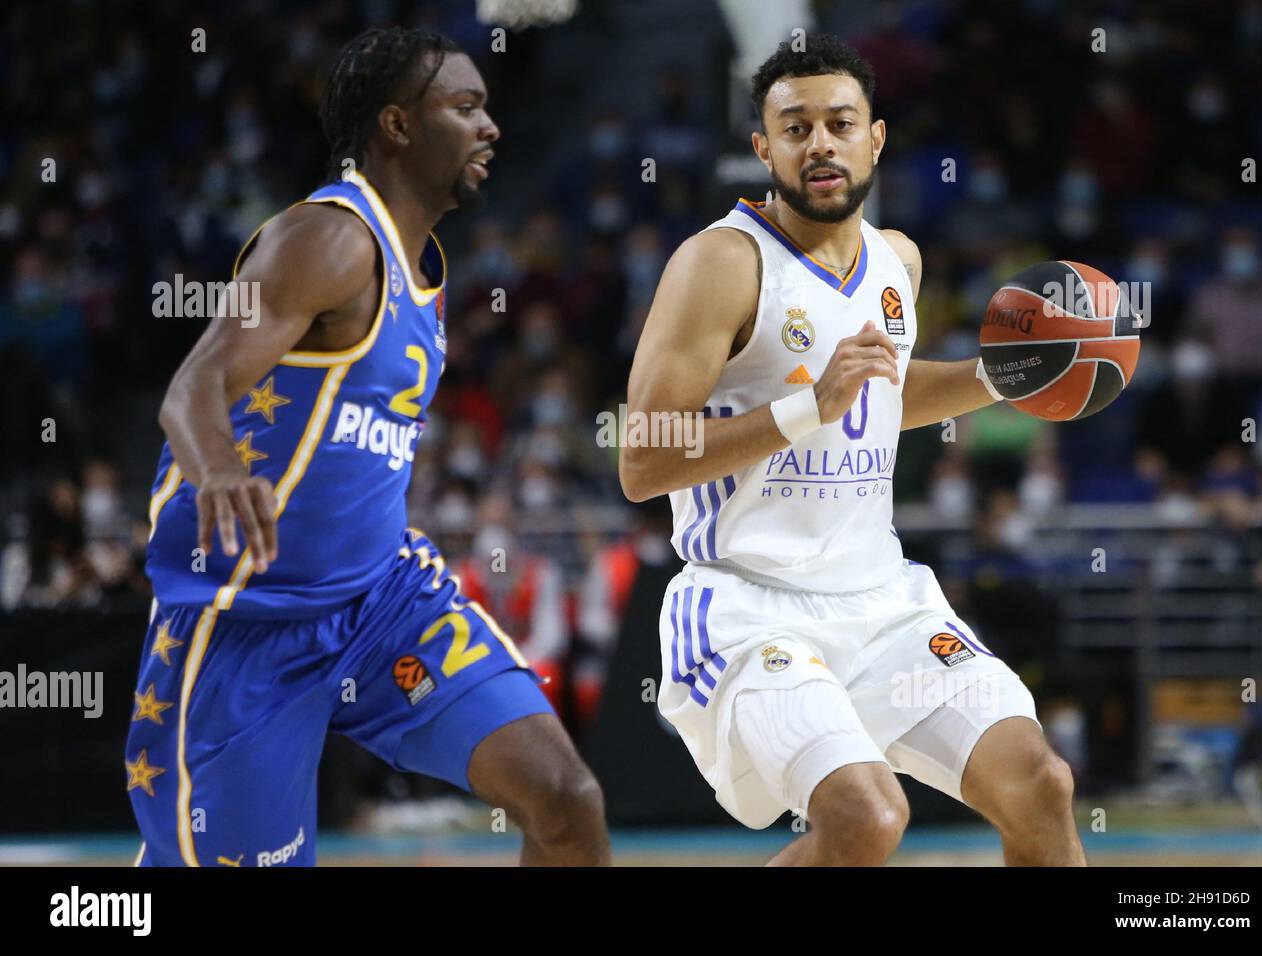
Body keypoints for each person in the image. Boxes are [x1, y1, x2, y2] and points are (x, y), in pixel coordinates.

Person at [126, 26, 609, 867]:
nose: (491, 126)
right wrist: (220, 466)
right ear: (397, 126)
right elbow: (193, 387)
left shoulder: (422, 261)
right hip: (249, 625)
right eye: (465, 108)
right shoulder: (328, 239)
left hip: (382, 599)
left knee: (565, 799)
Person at [621, 34, 1085, 865]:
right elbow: (642, 457)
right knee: (867, 819)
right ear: (764, 149)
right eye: (795, 129)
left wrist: (1003, 377)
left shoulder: (896, 260)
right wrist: (805, 408)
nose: (820, 142)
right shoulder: (719, 263)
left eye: (840, 123)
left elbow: (884, 397)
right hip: (746, 608)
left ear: (876, 137)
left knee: (1041, 786)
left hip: (884, 603)